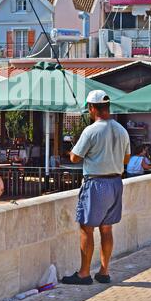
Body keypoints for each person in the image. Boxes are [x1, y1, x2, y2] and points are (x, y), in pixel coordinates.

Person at [62, 90, 130, 286]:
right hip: (116, 183)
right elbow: (126, 158)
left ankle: (84, 274)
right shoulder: (122, 130)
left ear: (92, 108)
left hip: (96, 184)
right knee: (106, 229)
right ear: (107, 107)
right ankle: (104, 271)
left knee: (86, 228)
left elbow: (75, 158)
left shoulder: (90, 131)